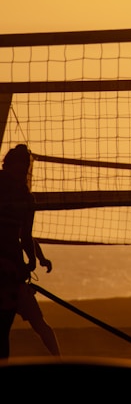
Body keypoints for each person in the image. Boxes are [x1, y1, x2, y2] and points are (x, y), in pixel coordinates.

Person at [0, 144, 36, 359]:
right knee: (2, 329)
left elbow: (26, 236)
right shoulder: (25, 196)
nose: (22, 171)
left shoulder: (26, 198)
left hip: (11, 268)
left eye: (24, 168)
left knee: (3, 329)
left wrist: (30, 261)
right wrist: (29, 262)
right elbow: (26, 236)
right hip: (10, 266)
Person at [16, 240, 60, 356]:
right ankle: (58, 358)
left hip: (16, 285)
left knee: (39, 325)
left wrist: (39, 259)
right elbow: (27, 238)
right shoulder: (16, 226)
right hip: (15, 284)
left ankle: (58, 358)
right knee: (39, 325)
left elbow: (28, 238)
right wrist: (39, 260)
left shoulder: (14, 227)